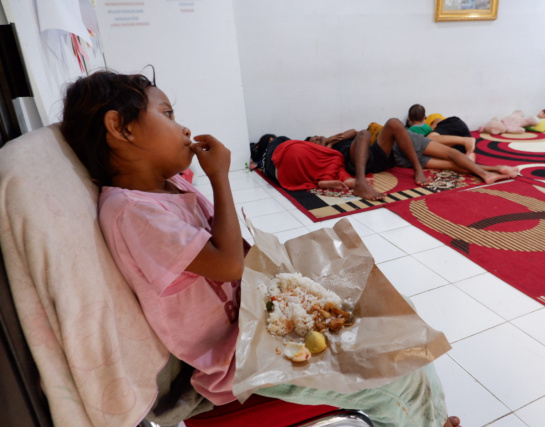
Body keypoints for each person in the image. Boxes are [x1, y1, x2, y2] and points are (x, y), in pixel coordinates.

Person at [60, 70, 461, 427]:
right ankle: (426, 419)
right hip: (240, 355)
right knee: (395, 375)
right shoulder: (132, 213)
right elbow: (231, 263)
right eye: (167, 114)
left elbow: (231, 249)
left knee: (392, 314)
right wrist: (219, 178)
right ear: (120, 127)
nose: (183, 129)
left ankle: (431, 415)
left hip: (259, 317)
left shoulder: (169, 188)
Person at [309, 118, 518, 201]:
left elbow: (352, 131)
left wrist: (328, 138)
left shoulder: (333, 140)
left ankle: (490, 171)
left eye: (318, 135)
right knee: (364, 133)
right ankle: (362, 184)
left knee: (367, 131)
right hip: (364, 161)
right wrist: (323, 145)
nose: (318, 138)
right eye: (314, 140)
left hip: (383, 154)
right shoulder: (324, 154)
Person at [260, 136, 373, 192]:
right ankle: (344, 178)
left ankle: (335, 180)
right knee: (336, 157)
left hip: (283, 175)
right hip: (290, 157)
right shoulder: (278, 140)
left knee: (322, 166)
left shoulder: (264, 166)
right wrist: (329, 141)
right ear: (271, 139)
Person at [406, 104, 476, 159]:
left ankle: (466, 140)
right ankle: (469, 156)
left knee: (428, 141)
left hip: (453, 124)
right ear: (423, 117)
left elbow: (437, 122)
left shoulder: (430, 118)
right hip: (458, 142)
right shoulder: (426, 127)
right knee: (447, 152)